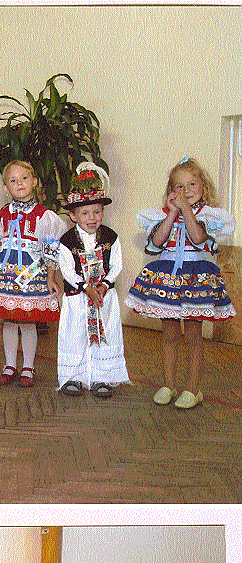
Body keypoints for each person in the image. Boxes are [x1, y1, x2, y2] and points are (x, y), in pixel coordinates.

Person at [125, 157, 236, 408]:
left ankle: (193, 389)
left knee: (194, 335)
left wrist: (185, 210)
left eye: (192, 184)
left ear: (204, 187)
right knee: (170, 334)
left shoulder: (207, 216)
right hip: (168, 280)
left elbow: (198, 238)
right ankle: (168, 385)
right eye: (179, 186)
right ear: (171, 191)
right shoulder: (163, 215)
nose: (186, 190)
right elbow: (156, 244)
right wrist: (173, 211)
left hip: (195, 280)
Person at [0, 160, 65, 388]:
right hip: (5, 273)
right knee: (8, 320)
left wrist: (51, 277)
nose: (20, 183)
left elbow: (50, 249)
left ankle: (28, 366)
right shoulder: (1, 215)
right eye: (13, 180)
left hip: (31, 273)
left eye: (24, 178)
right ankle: (9, 365)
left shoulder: (44, 216)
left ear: (34, 182)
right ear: (6, 187)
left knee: (27, 321)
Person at [56, 163, 130, 397]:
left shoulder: (111, 237)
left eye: (96, 212)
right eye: (85, 213)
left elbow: (116, 264)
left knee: (104, 335)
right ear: (73, 215)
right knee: (75, 335)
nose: (92, 218)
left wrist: (105, 285)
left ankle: (102, 376)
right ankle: (74, 376)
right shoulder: (67, 241)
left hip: (103, 298)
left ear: (103, 212)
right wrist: (85, 287)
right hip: (77, 299)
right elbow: (67, 270)